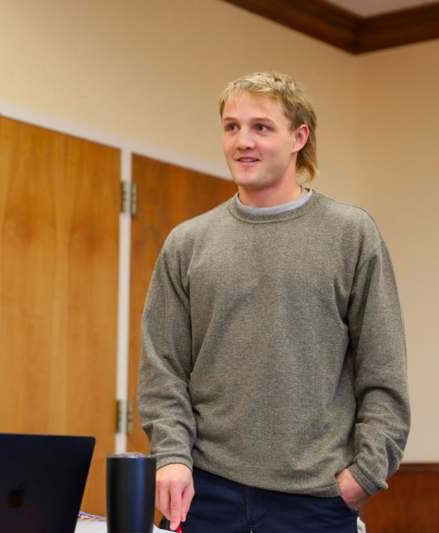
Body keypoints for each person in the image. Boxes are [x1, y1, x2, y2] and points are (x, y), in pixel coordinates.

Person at [137, 71, 410, 533]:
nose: (243, 141)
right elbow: (162, 370)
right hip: (204, 496)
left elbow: (383, 371)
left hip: (316, 502)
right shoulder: (187, 243)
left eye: (261, 127)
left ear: (298, 137)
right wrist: (171, 457)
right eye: (231, 127)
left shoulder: (350, 234)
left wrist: (362, 475)